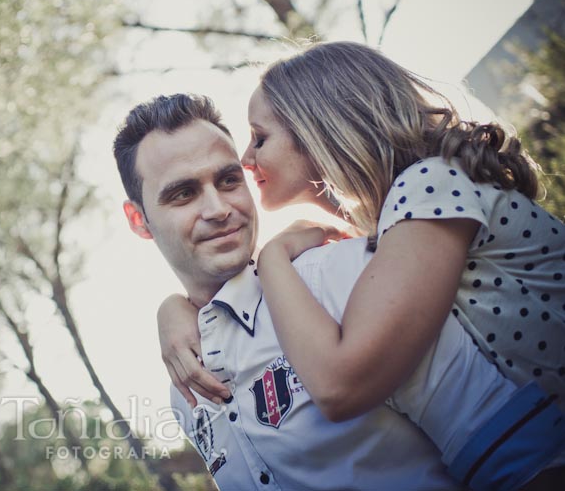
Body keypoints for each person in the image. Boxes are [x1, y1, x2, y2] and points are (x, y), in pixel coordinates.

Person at [113, 93, 565, 490]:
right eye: (183, 194)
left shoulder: (342, 276)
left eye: (229, 180)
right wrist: (172, 308)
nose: (218, 209)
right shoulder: (183, 386)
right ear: (139, 221)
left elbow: (517, 454)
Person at [159, 42, 564, 423]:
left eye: (260, 138)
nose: (246, 159)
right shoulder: (392, 225)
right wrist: (175, 308)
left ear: (319, 128)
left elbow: (340, 384)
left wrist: (272, 257)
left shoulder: (430, 187)